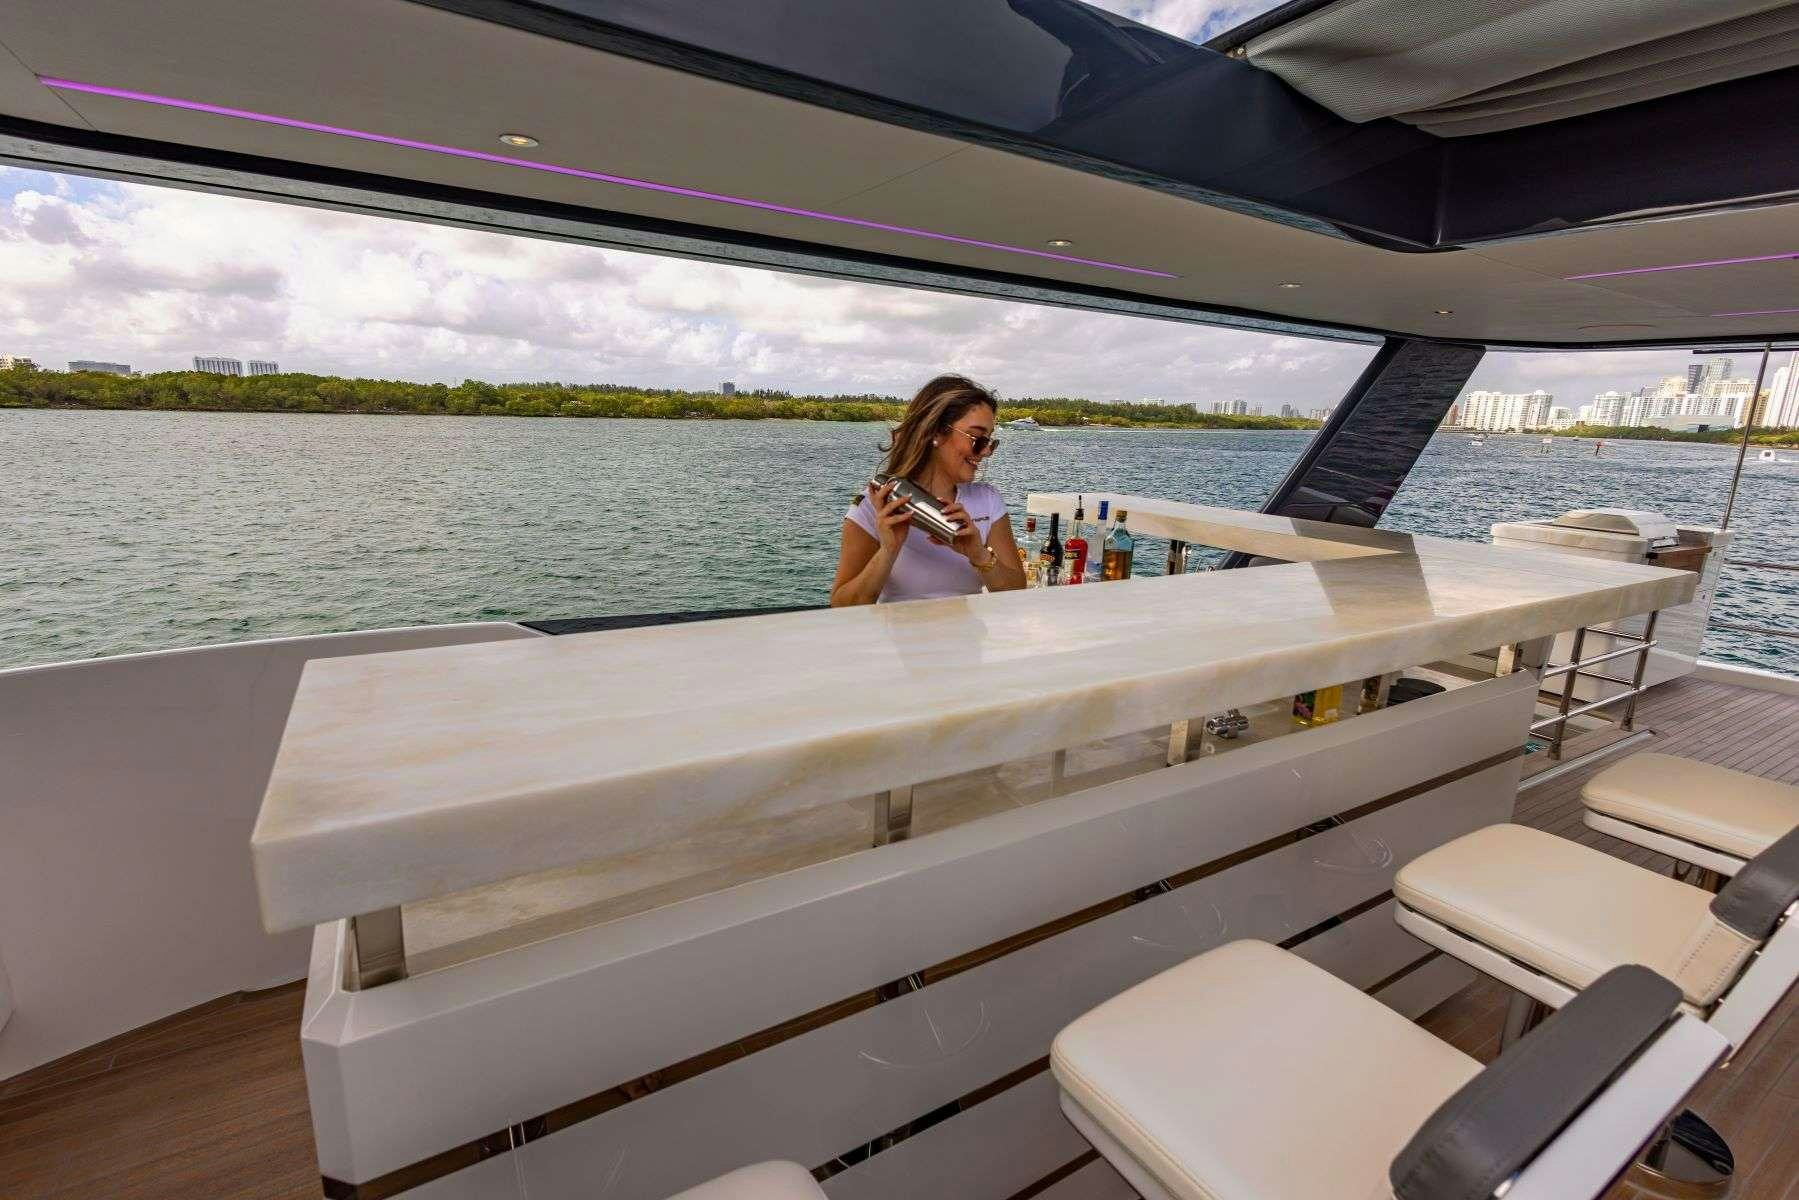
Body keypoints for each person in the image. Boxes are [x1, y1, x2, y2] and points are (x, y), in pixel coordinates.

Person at [831, 374, 1026, 605]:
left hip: (967, 639)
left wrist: (979, 554)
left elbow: (1016, 591)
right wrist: (889, 550)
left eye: (990, 442)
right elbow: (841, 605)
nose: (986, 452)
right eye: (977, 439)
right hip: (895, 641)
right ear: (936, 432)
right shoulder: (875, 505)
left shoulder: (988, 501)